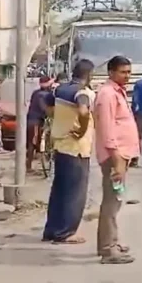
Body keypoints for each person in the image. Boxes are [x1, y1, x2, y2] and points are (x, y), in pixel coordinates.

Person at [42, 60, 95, 245]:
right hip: (76, 149)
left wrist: (56, 118)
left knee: (59, 191)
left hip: (60, 145)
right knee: (75, 193)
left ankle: (51, 230)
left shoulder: (59, 89)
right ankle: (66, 232)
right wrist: (81, 130)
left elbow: (47, 104)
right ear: (89, 75)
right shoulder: (83, 92)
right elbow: (83, 112)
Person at [94, 56, 139, 264]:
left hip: (121, 156)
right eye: (123, 72)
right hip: (115, 157)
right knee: (112, 202)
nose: (127, 75)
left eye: (129, 72)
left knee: (116, 200)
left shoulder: (116, 92)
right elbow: (107, 129)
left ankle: (111, 241)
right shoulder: (107, 95)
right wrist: (117, 158)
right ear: (111, 72)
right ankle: (107, 249)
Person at [26, 75, 54, 174]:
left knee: (33, 143)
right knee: (32, 144)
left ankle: (33, 161)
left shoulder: (36, 93)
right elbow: (44, 109)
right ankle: (28, 166)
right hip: (35, 121)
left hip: (33, 120)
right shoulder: (43, 95)